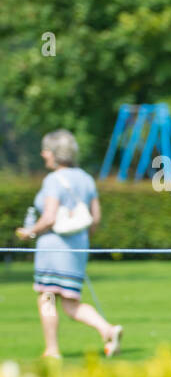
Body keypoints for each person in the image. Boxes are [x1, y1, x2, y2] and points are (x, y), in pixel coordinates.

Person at [14, 130, 122, 359]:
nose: (43, 154)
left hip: (53, 248)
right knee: (71, 302)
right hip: (77, 248)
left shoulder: (53, 180)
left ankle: (52, 349)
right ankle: (108, 330)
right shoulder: (86, 178)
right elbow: (96, 219)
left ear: (54, 153)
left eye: (46, 150)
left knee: (48, 297)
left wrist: (29, 232)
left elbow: (50, 217)